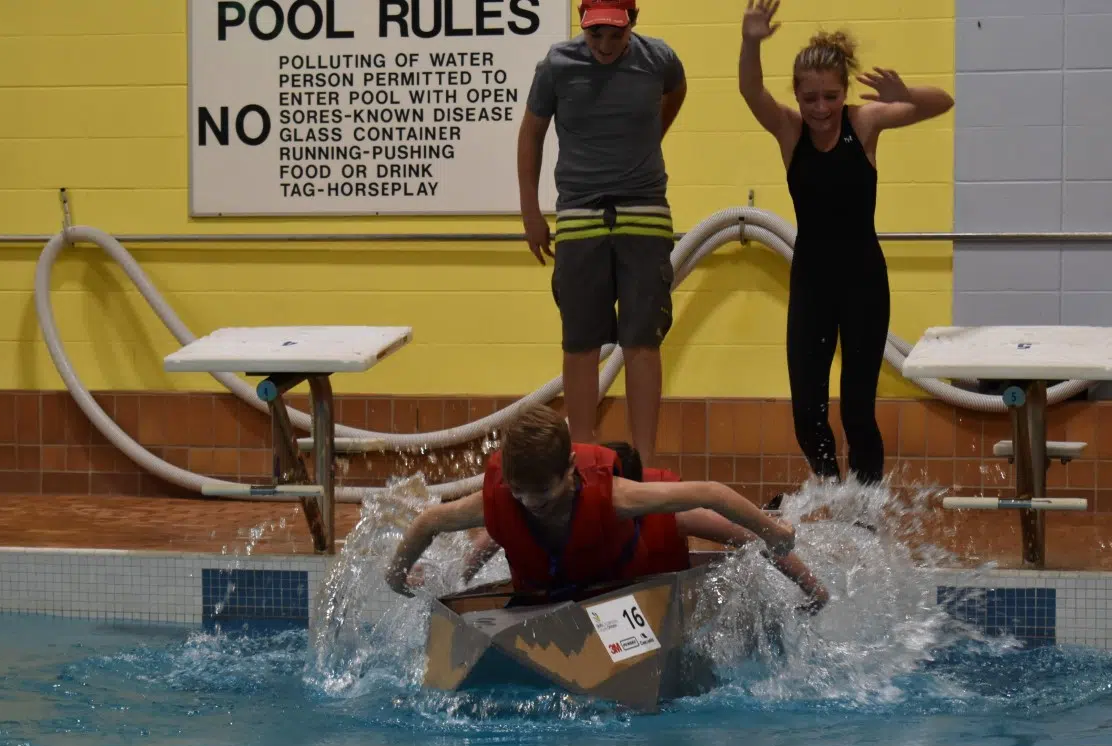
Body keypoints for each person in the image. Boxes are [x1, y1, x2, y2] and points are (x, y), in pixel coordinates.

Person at [738, 0, 954, 494]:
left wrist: (908, 94)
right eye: (810, 98)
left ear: (844, 92)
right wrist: (751, 42)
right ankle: (832, 495)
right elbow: (751, 91)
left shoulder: (865, 123)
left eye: (830, 97)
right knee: (806, 408)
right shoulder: (790, 131)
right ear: (797, 95)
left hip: (863, 282)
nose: (820, 109)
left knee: (858, 405)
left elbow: (942, 101)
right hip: (812, 282)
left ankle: (868, 506)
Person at [385, 406, 829, 614]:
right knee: (501, 528)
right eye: (520, 492)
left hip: (625, 579)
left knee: (711, 529)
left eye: (543, 493)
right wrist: (400, 578)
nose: (531, 504)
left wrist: (775, 535)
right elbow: (428, 523)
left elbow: (712, 495)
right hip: (558, 586)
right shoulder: (506, 502)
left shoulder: (626, 501)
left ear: (571, 472)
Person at [516, 0, 688, 470]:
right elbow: (530, 133)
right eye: (596, 35)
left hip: (645, 211)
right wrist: (531, 211)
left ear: (634, 20)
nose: (606, 45)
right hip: (580, 216)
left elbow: (676, 92)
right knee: (580, 340)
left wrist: (652, 134)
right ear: (582, 22)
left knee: (642, 340)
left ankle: (646, 462)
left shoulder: (659, 60)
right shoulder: (556, 65)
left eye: (616, 34)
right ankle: (584, 456)